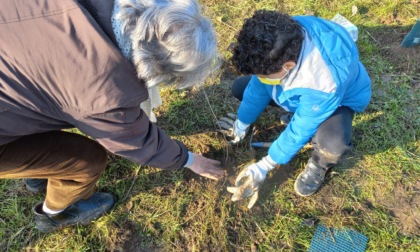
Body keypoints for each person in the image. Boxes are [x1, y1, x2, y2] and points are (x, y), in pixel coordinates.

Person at [0, 0, 224, 233]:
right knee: (85, 161)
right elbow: (139, 143)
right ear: (157, 66)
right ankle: (54, 214)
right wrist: (189, 159)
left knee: (39, 104)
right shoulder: (107, 90)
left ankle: (36, 173)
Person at [218, 10, 371, 208]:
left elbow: (300, 129)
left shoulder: (324, 83)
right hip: (301, 93)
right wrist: (242, 121)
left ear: (288, 65)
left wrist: (266, 164)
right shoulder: (281, 38)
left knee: (333, 143)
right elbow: (258, 86)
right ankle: (292, 109)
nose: (260, 77)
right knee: (241, 87)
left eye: (263, 74)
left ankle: (319, 165)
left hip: (337, 101)